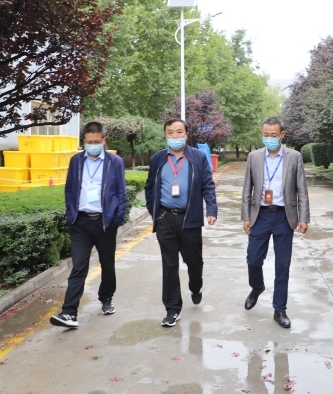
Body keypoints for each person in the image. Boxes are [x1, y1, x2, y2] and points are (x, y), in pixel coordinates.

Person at [51, 121, 127, 328]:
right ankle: (69, 312)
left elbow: (121, 192)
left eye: (96, 142)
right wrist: (71, 214)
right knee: (79, 267)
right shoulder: (76, 161)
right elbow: (69, 190)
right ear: (83, 141)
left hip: (104, 223)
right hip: (81, 223)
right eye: (89, 142)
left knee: (107, 265)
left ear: (104, 140)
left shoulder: (115, 162)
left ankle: (106, 298)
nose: (93, 145)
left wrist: (116, 219)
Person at [145, 119, 218, 327]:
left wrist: (211, 209)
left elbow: (207, 185)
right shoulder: (158, 158)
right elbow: (150, 187)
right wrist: (154, 212)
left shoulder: (197, 157)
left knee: (194, 262)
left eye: (179, 132)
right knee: (169, 265)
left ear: (186, 134)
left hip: (190, 218)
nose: (175, 136)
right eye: (170, 132)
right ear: (165, 135)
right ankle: (172, 309)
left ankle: (196, 286)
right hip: (165, 219)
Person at [241, 117, 310, 329]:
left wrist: (303, 217)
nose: (269, 138)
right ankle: (257, 287)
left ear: (282, 135)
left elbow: (302, 190)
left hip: (284, 216)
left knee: (283, 265)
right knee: (253, 260)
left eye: (273, 135)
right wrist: (246, 216)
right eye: (265, 135)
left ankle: (280, 309)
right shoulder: (253, 157)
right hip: (260, 215)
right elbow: (247, 189)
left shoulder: (294, 157)